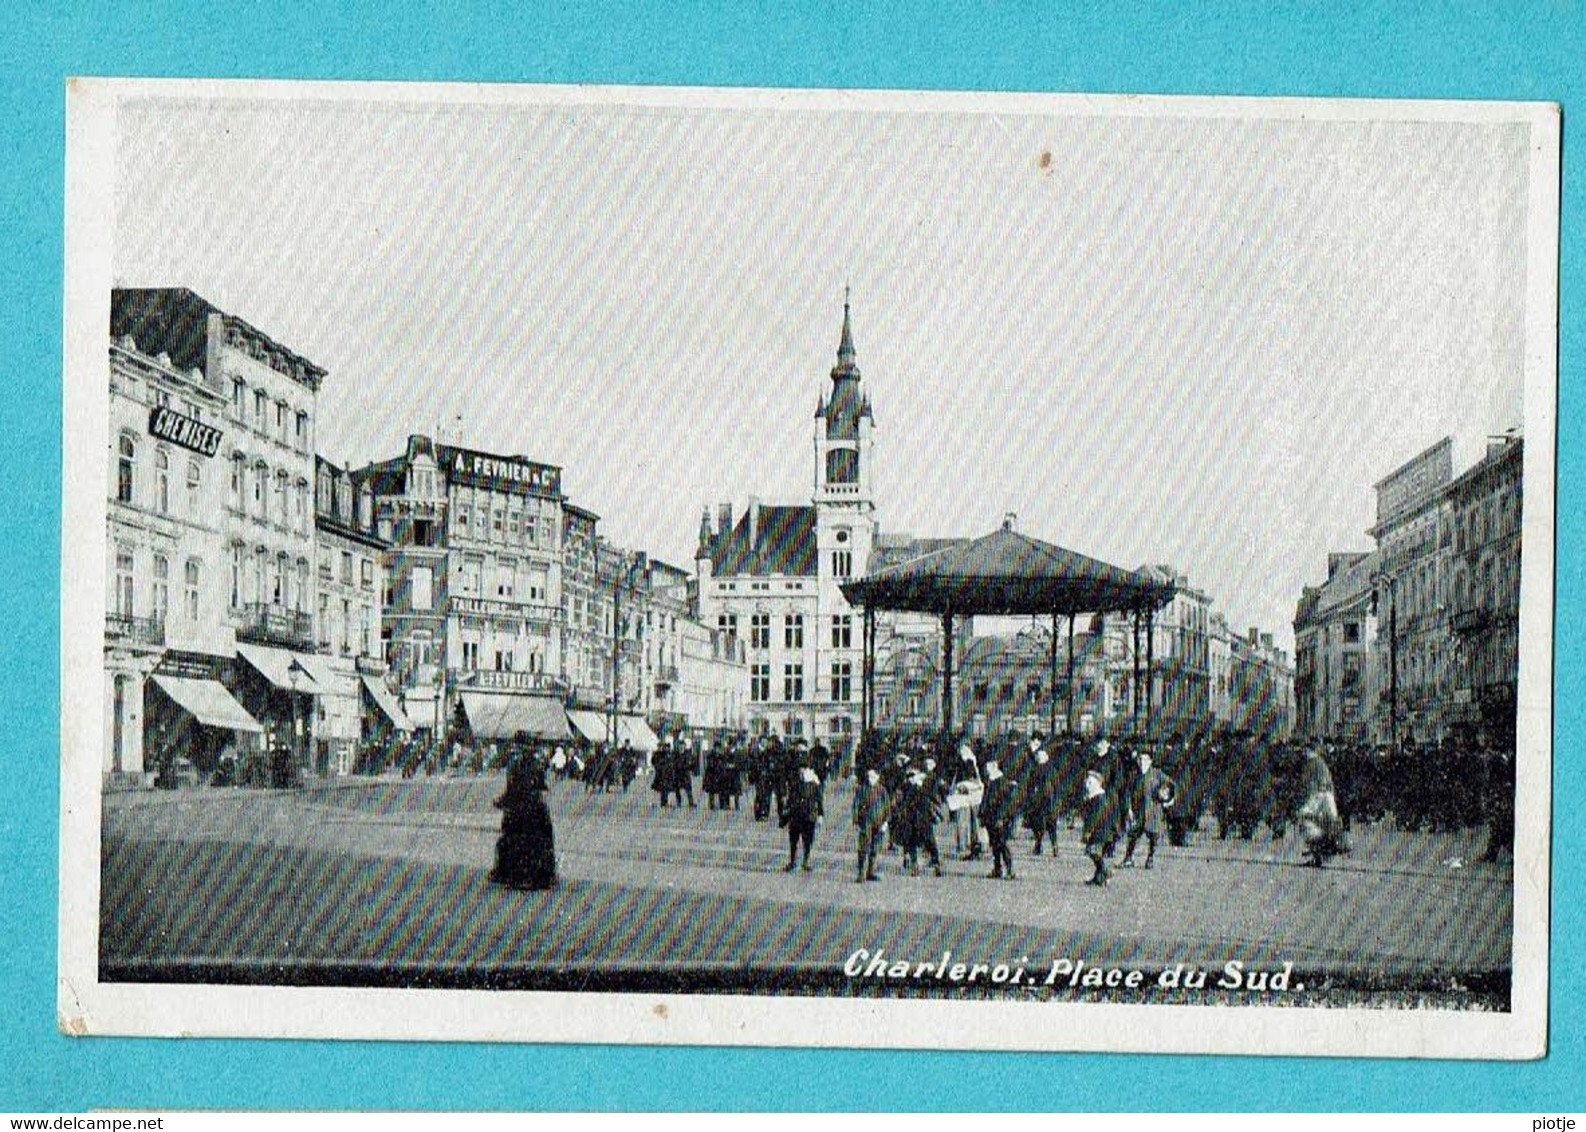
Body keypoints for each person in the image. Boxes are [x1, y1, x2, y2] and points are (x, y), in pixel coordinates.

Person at [489, 743, 557, 890]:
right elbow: (541, 786)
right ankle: (541, 876)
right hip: (536, 809)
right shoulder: (537, 766)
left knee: (513, 838)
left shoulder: (516, 766)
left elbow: (511, 791)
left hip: (521, 810)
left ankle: (514, 874)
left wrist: (500, 802)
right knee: (543, 838)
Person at [1121, 748, 1177, 870]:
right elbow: (1127, 793)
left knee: (1153, 837)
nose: (1142, 762)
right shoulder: (1134, 775)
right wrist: (1128, 809)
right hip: (1138, 812)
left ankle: (1150, 858)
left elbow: (1171, 785)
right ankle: (1128, 858)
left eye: (1145, 759)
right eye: (1140, 759)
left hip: (1154, 812)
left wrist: (1168, 799)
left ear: (1150, 761)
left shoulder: (1157, 774)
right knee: (1133, 835)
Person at [1296, 745, 1349, 867]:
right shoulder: (1322, 764)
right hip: (1328, 797)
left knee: (1306, 821)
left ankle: (1320, 849)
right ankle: (1330, 849)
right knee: (1329, 823)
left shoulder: (1310, 764)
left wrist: (1302, 801)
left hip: (1317, 796)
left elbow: (1307, 785)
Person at [895, 766, 943, 876]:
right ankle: (915, 865)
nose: (910, 779)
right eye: (909, 777)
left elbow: (933, 799)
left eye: (912, 777)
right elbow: (900, 803)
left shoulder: (922, 788)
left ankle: (935, 863)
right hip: (913, 819)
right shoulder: (906, 788)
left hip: (922, 819)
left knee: (928, 841)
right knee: (913, 842)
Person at [1080, 763, 1122, 887]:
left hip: (1100, 832)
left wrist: (1088, 831)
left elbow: (1094, 817)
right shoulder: (1099, 798)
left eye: (1090, 783)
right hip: (1102, 831)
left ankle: (1105, 871)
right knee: (1094, 852)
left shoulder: (1099, 799)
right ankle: (1099, 877)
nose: (1087, 785)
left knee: (1093, 852)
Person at [980, 758, 1019, 880]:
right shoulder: (991, 781)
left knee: (1002, 844)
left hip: (999, 818)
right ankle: (997, 869)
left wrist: (1001, 818)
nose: (986, 770)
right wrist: (982, 814)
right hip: (991, 817)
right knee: (995, 845)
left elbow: (1005, 803)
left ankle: (1010, 870)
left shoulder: (1001, 782)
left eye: (988, 767)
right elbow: (985, 799)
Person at [781, 765, 824, 873]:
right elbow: (819, 800)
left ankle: (793, 862)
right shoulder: (815, 784)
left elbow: (791, 799)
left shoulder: (796, 783)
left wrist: (786, 810)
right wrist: (820, 814)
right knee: (807, 841)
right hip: (809, 817)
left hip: (796, 816)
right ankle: (804, 861)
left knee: (794, 841)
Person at [852, 766, 891, 882]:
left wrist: (886, 822)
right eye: (869, 776)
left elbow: (887, 808)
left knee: (875, 848)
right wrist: (856, 821)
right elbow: (855, 805)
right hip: (866, 823)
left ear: (878, 777)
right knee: (863, 847)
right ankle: (860, 873)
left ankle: (870, 871)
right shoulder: (862, 790)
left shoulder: (882, 791)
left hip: (879, 823)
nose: (871, 779)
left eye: (873, 777)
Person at [1023, 738, 1059, 856]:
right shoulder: (1052, 768)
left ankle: (1039, 847)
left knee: (1039, 825)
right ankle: (1054, 847)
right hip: (1051, 800)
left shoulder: (1036, 770)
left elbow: (1030, 786)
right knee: (1051, 825)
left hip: (1039, 801)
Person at [949, 742, 985, 860]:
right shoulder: (973, 759)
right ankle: (977, 845)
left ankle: (963, 845)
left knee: (962, 821)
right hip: (975, 792)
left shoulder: (959, 760)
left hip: (963, 793)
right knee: (975, 821)